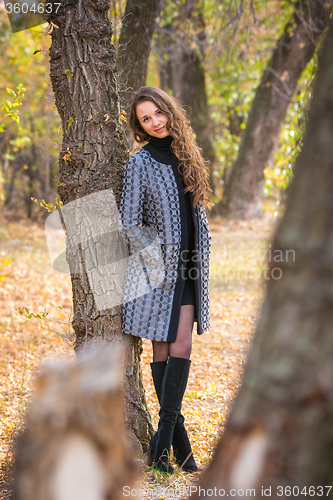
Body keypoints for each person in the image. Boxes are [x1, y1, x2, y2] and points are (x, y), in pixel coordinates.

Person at [119, 86, 212, 474]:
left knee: (182, 345)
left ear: (170, 111)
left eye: (159, 113)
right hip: (158, 274)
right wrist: (156, 255)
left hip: (191, 269)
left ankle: (162, 443)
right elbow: (128, 222)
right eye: (146, 119)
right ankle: (180, 448)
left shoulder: (187, 154)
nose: (156, 122)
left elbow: (197, 209)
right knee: (164, 351)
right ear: (139, 127)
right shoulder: (139, 163)